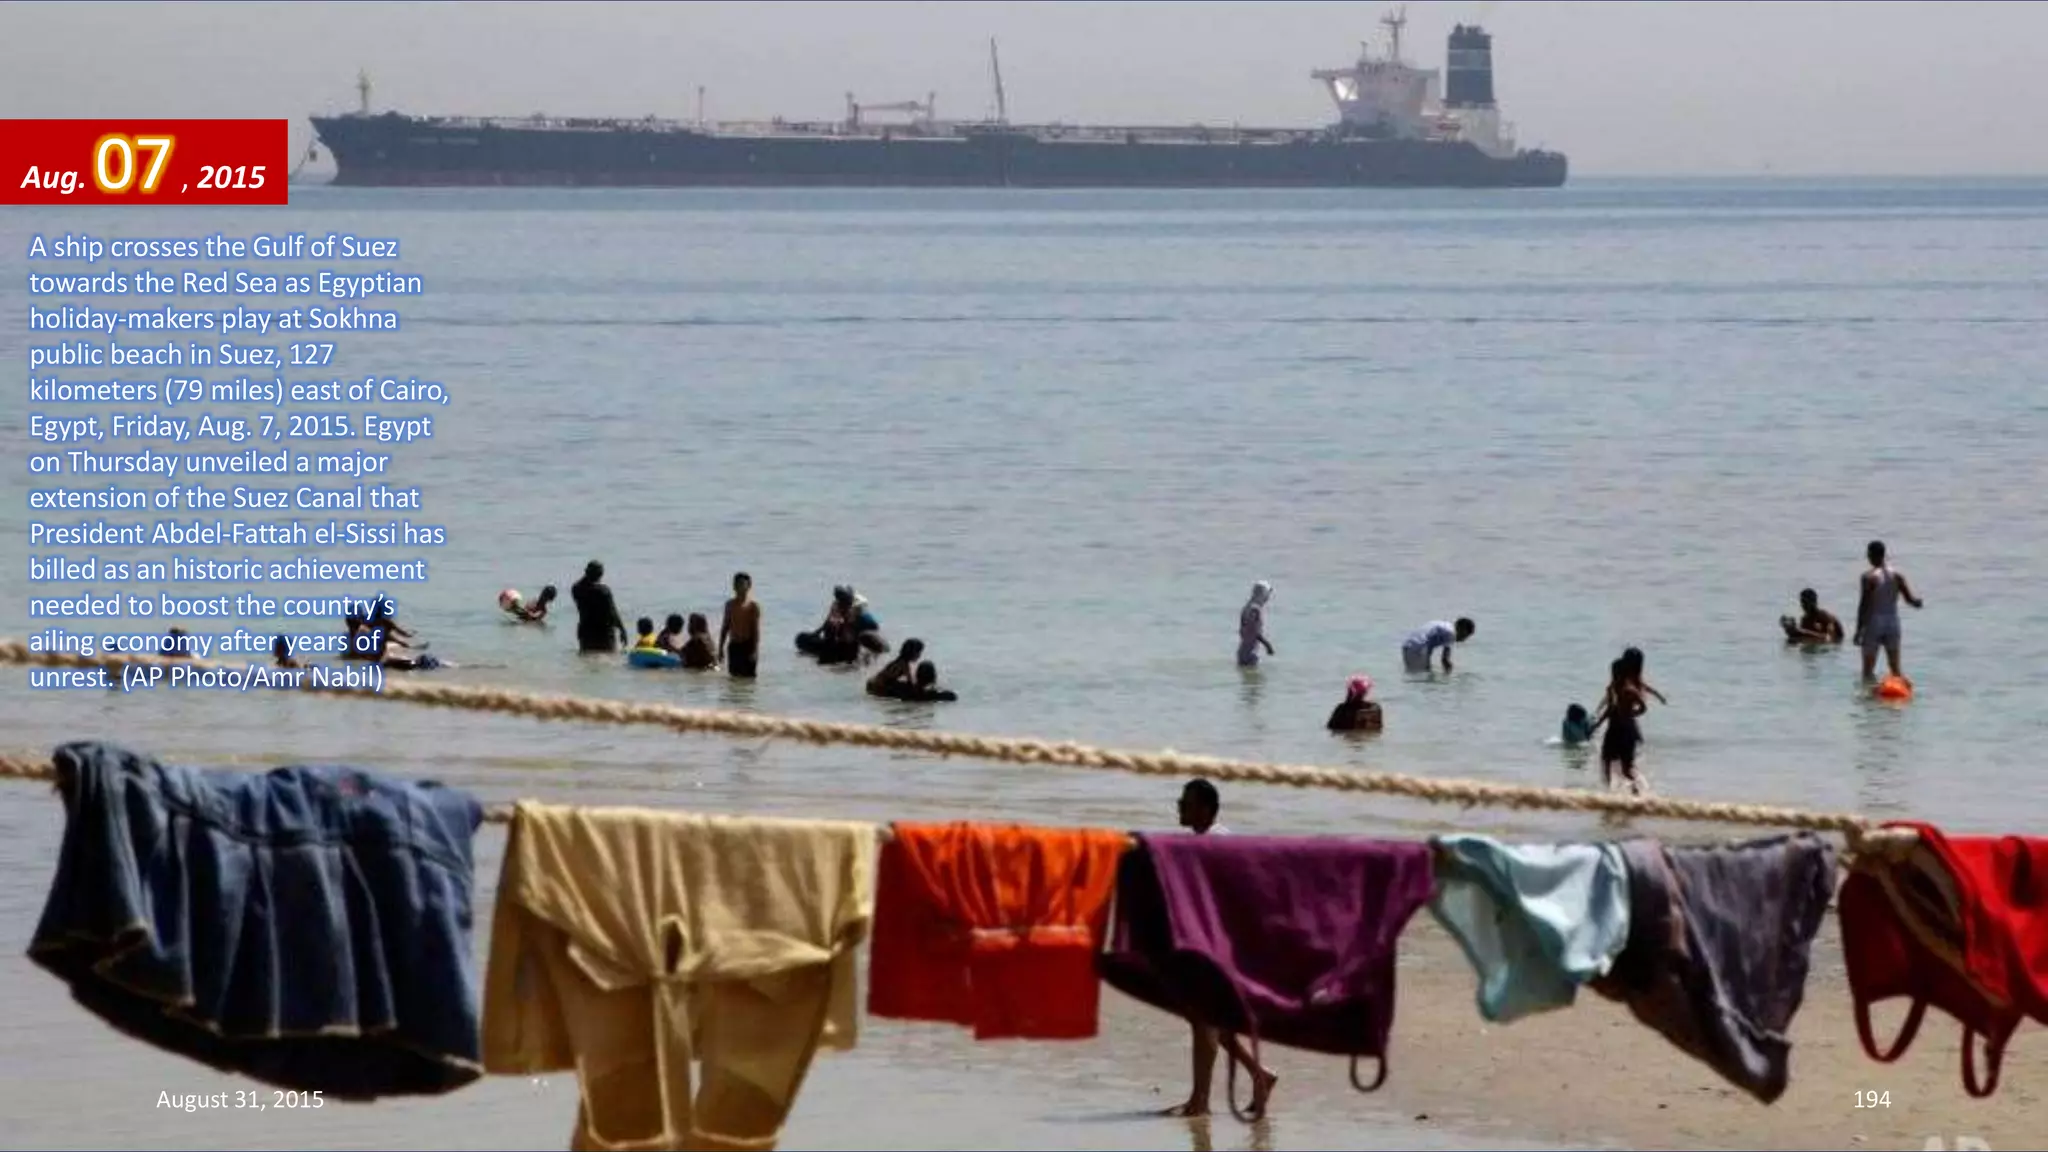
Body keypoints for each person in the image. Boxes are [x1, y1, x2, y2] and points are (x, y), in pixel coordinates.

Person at [1165, 779, 1277, 1119]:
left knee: (1204, 1022)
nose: (1179, 807)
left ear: (1204, 808)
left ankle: (1200, 1101)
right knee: (1205, 1021)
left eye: (1185, 802)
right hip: (1215, 946)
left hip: (1221, 949)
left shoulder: (1214, 843)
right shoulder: (1208, 840)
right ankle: (1260, 1076)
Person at [1854, 540, 1924, 682]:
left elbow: (1864, 605)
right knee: (1895, 668)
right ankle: (1901, 695)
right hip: (1892, 621)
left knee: (1867, 670)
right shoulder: (1897, 575)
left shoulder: (1869, 577)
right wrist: (1917, 602)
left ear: (1870, 555)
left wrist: (1859, 630)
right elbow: (1910, 600)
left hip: (1874, 621)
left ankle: (1869, 700)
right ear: (1884, 554)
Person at [1589, 658, 1651, 795]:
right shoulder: (1612, 688)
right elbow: (1610, 709)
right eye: (1613, 672)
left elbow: (1643, 707)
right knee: (1606, 761)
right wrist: (1598, 724)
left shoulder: (1629, 690)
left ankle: (1636, 791)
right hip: (1613, 729)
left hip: (1625, 731)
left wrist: (1630, 714)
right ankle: (1610, 792)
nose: (1613, 675)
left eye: (1615, 672)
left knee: (1625, 768)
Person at [572, 562, 629, 653]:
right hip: (604, 634)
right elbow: (612, 613)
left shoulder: (576, 589)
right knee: (607, 661)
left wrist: (587, 574)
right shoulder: (603, 591)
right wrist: (622, 630)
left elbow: (582, 584)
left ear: (586, 572)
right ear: (600, 575)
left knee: (587, 660)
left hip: (585, 632)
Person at [719, 571, 762, 679]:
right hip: (734, 646)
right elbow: (725, 627)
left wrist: (755, 651)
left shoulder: (753, 606)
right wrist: (720, 648)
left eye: (742, 584)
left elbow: (756, 631)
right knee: (733, 678)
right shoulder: (729, 605)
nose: (739, 587)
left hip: (748, 646)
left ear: (749, 586)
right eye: (737, 584)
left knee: (749, 679)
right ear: (733, 586)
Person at [1402, 617, 1474, 674]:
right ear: (1463, 630)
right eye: (1466, 636)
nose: (1463, 640)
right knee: (1421, 677)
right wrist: (1448, 677)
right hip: (1418, 647)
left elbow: (1428, 644)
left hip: (1408, 645)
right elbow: (1445, 660)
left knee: (1414, 674)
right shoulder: (1451, 633)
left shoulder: (1444, 625)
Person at [1237, 581, 1275, 668]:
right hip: (1250, 653)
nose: (1268, 598)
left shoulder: (1247, 606)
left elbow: (1242, 630)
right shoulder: (1255, 609)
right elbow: (1254, 631)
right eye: (1267, 594)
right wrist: (1267, 645)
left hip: (1243, 650)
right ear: (1262, 593)